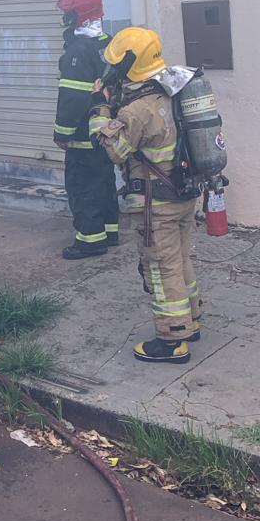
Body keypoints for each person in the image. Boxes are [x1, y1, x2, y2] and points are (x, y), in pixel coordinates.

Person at [88, 27, 201, 364]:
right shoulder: (174, 86)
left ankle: (172, 340)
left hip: (157, 204)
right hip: (183, 196)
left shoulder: (136, 111)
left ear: (128, 64)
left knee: (161, 269)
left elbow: (115, 150)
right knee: (180, 261)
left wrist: (99, 110)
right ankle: (190, 321)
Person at [53, 0, 119, 259]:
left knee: (83, 186)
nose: (64, 18)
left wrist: (61, 134)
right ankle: (109, 230)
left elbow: (72, 98)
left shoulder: (78, 51)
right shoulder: (108, 42)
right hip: (106, 130)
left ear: (78, 15)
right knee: (104, 181)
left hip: (83, 134)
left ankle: (90, 240)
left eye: (67, 12)